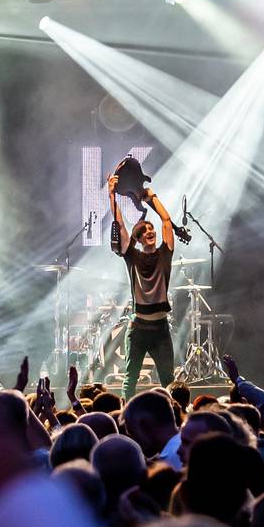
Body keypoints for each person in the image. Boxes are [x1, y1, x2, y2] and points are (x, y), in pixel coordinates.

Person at [107, 159, 176, 396]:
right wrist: (112, 196)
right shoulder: (132, 256)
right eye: (146, 231)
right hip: (137, 328)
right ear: (138, 237)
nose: (151, 232)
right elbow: (120, 224)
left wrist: (152, 197)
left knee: (168, 380)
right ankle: (126, 422)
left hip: (160, 328)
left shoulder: (165, 254)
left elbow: (166, 221)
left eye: (152, 230)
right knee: (130, 380)